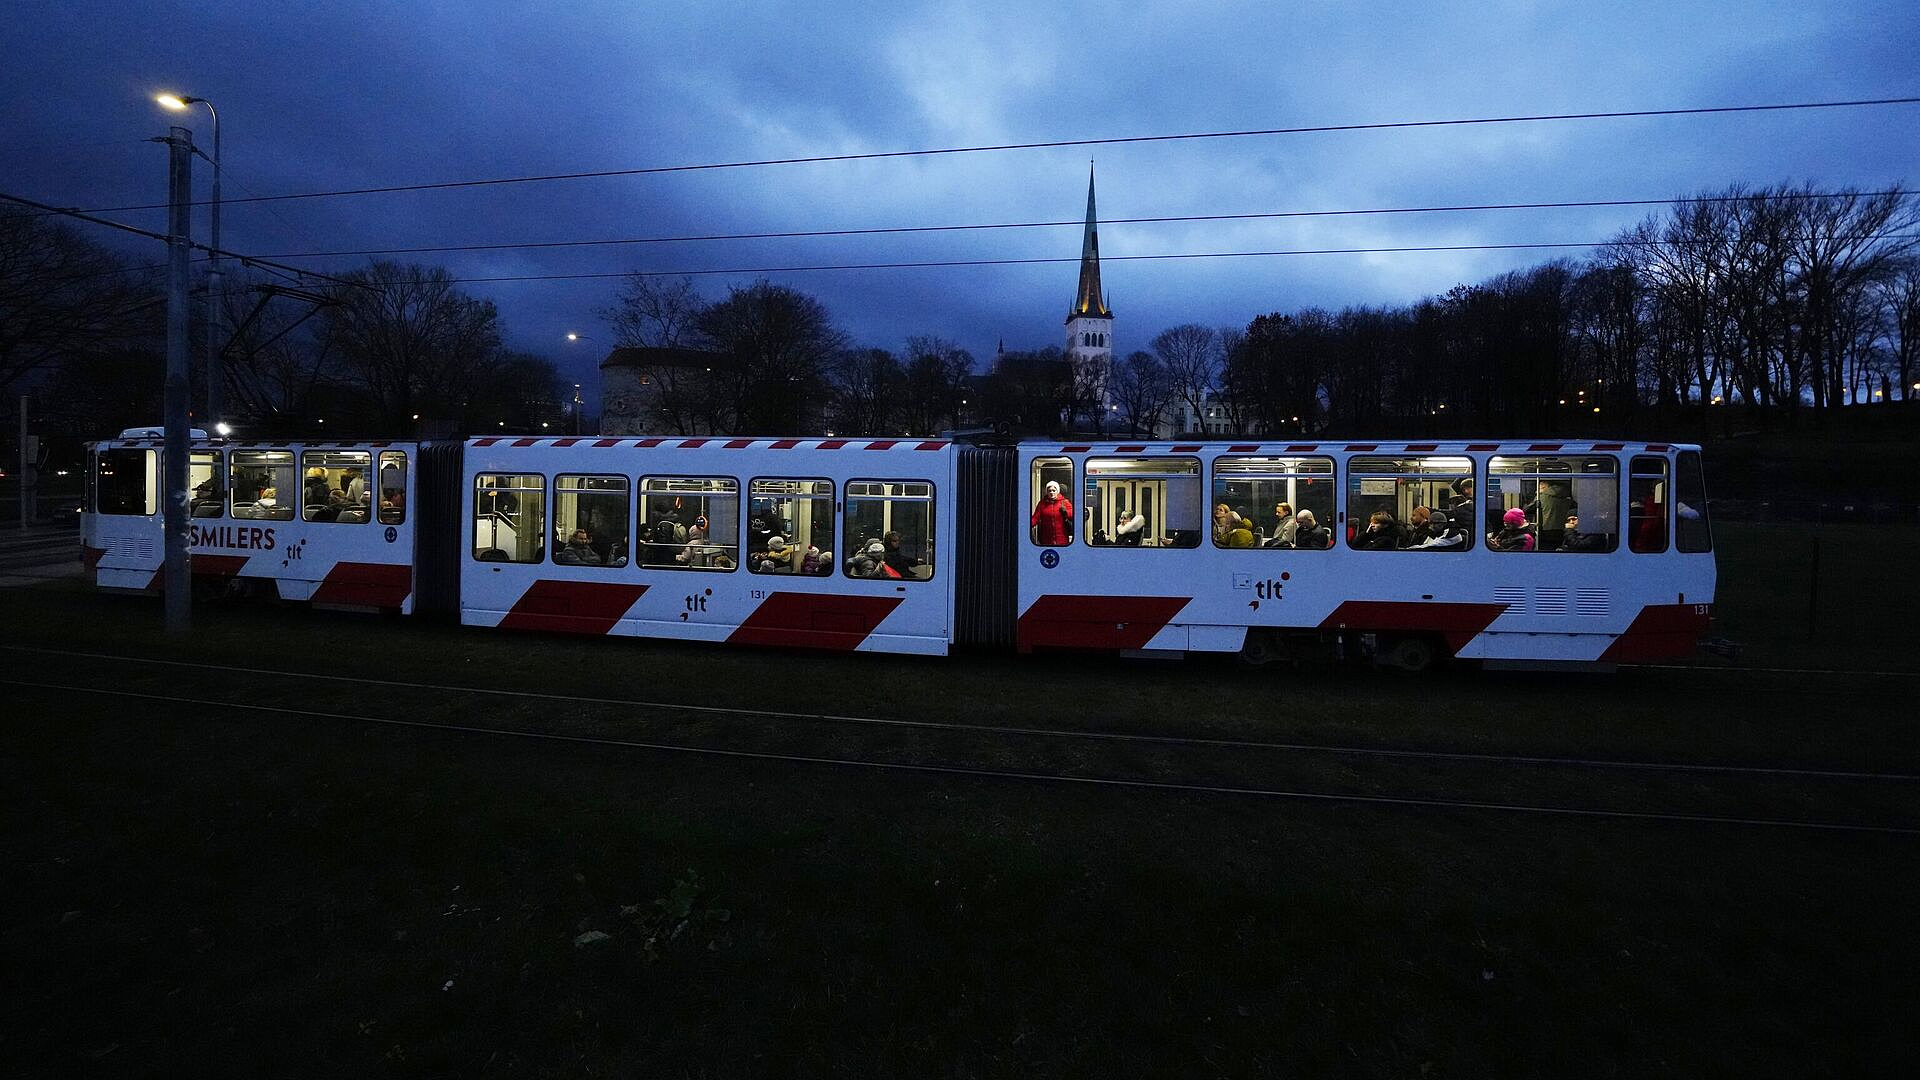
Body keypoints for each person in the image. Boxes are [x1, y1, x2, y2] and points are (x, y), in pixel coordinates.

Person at [1525, 480, 1575, 550]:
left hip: (1546, 529)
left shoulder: (1541, 497)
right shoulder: (1567, 497)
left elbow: (1527, 510)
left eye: (1539, 488)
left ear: (1544, 487)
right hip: (1562, 528)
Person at [1031, 480, 1073, 545]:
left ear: (1057, 491)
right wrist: (1025, 526)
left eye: (1054, 490)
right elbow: (1035, 518)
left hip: (1062, 540)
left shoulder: (1064, 502)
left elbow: (1073, 515)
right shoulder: (1042, 504)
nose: (1051, 492)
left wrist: (1066, 512)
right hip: (1046, 540)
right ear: (1047, 492)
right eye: (1049, 491)